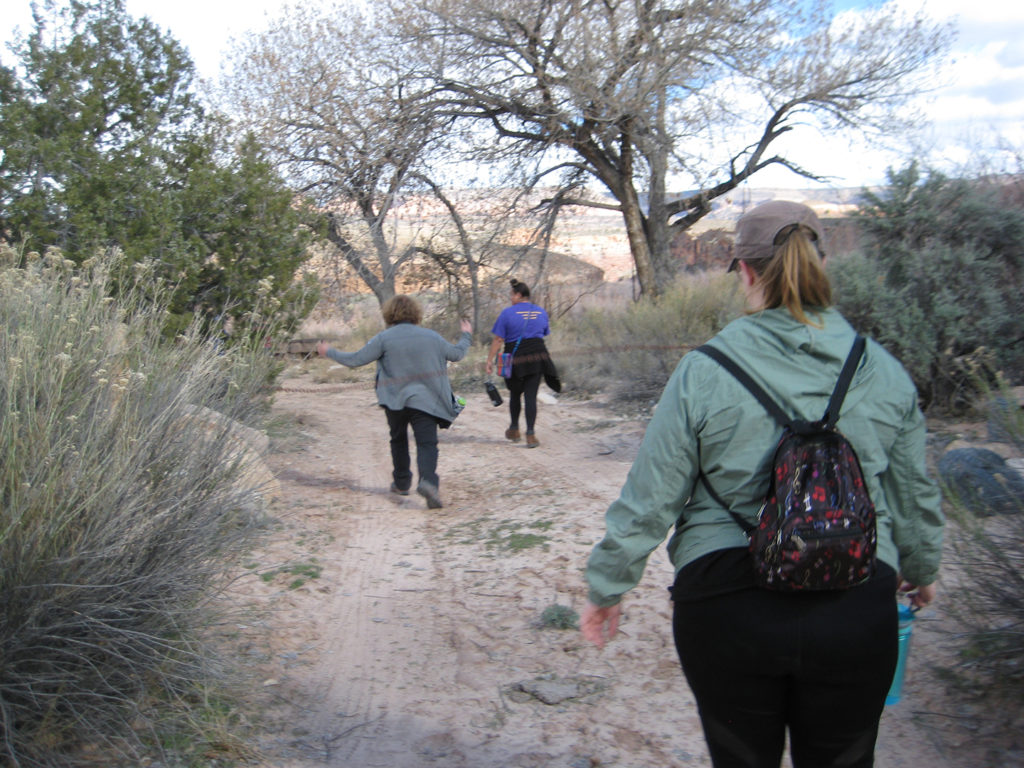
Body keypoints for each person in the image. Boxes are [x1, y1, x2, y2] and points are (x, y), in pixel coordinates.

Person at [581, 200, 944, 768]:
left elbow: (651, 495)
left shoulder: (704, 370)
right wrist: (920, 570)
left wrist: (608, 585)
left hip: (726, 605)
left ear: (745, 272)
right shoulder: (884, 370)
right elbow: (913, 495)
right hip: (855, 602)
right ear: (822, 263)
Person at [317, 295, 472, 509]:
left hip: (394, 401)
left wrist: (329, 352)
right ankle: (428, 482)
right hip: (426, 401)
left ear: (390, 314)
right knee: (427, 443)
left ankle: (401, 483)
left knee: (398, 440)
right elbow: (456, 354)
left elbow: (355, 360)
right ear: (416, 313)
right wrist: (466, 336)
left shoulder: (384, 338)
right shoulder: (432, 337)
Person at [485, 278, 552, 448]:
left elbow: (498, 339)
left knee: (515, 393)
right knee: (531, 396)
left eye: (512, 295)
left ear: (519, 295)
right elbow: (543, 333)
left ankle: (514, 429)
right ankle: (530, 434)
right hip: (537, 357)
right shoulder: (541, 312)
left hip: (514, 358)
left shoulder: (507, 313)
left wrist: (490, 360)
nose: (510, 298)